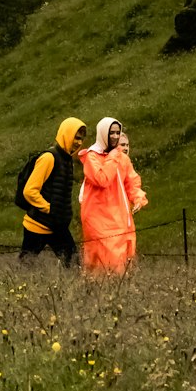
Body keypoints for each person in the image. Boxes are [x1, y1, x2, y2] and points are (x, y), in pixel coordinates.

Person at [78, 116, 148, 274]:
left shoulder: (122, 158)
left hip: (121, 219)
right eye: (112, 133)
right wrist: (114, 155)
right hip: (99, 219)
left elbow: (132, 182)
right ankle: (97, 294)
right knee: (103, 265)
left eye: (118, 132)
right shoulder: (92, 157)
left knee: (123, 263)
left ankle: (118, 294)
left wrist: (138, 198)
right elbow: (102, 179)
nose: (116, 136)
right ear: (103, 134)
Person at [19, 117, 87, 266]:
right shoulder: (49, 158)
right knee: (25, 268)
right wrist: (49, 209)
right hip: (37, 225)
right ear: (65, 133)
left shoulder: (67, 160)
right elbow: (29, 191)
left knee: (75, 265)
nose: (79, 143)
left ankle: (75, 290)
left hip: (57, 226)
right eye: (76, 137)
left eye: (81, 139)